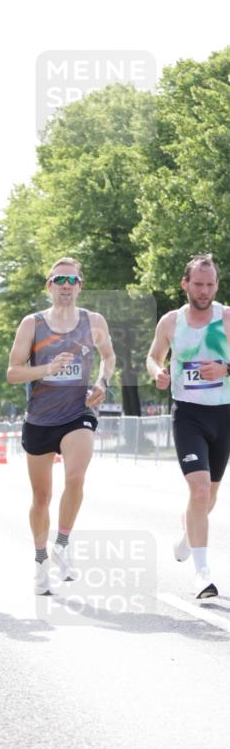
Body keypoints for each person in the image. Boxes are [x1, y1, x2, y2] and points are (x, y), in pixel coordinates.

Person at [7, 257, 115, 596]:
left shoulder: (93, 321)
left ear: (80, 285)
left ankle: (63, 544)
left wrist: (102, 382)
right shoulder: (32, 324)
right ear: (49, 286)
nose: (65, 285)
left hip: (76, 413)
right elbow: (13, 372)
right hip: (40, 418)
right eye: (59, 279)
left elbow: (109, 357)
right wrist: (47, 370)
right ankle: (41, 561)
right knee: (41, 497)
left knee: (75, 476)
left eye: (72, 279)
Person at [146, 253, 230, 599]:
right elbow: (153, 357)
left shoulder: (226, 318)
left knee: (207, 498)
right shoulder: (170, 322)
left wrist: (226, 369)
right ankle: (202, 574)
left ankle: (186, 535)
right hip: (188, 415)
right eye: (198, 284)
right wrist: (159, 373)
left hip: (223, 415)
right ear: (185, 284)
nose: (205, 291)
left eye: (210, 285)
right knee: (198, 492)